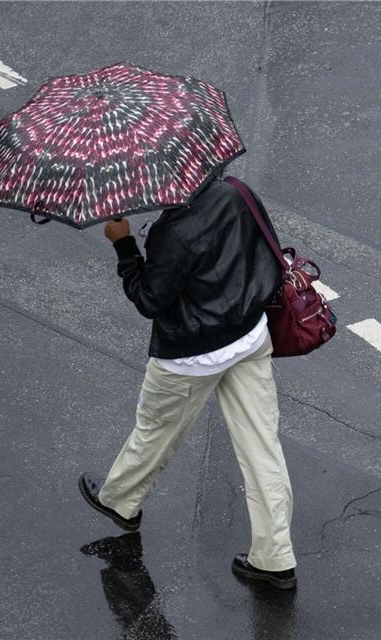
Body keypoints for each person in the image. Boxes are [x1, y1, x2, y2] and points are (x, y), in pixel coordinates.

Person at [78, 171, 298, 590]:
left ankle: (121, 501)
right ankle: (275, 558)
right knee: (262, 448)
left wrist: (124, 244)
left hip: (190, 356)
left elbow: (149, 300)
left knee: (156, 430)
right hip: (249, 337)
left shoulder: (172, 232)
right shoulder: (237, 192)